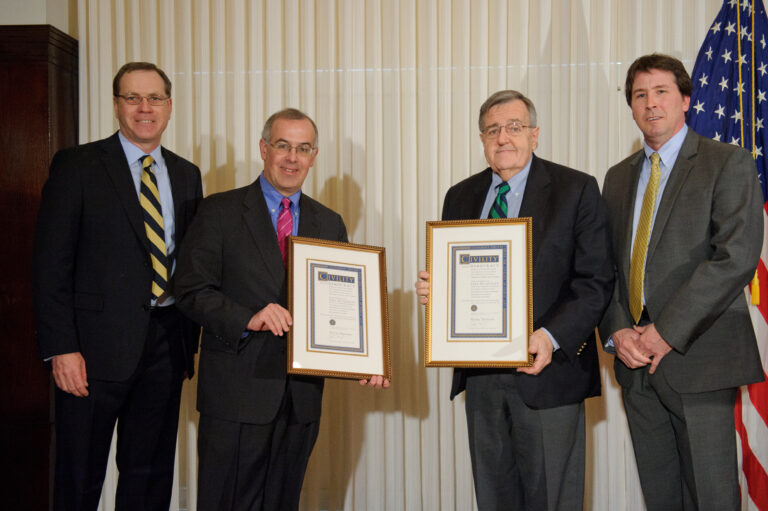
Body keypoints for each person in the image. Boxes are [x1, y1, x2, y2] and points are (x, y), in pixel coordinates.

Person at [174, 108, 388, 511]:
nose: (292, 157)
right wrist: (247, 317)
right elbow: (189, 289)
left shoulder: (329, 222)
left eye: (302, 148)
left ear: (314, 156)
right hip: (238, 392)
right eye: (283, 146)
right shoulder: (220, 211)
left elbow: (340, 306)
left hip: (301, 398)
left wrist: (366, 357)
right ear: (264, 149)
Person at [415, 90, 613, 510]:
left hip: (549, 373)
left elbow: (595, 282)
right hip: (482, 379)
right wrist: (439, 292)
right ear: (482, 139)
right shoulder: (460, 196)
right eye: (492, 129)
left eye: (514, 127)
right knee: (494, 499)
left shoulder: (575, 189)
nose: (503, 137)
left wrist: (550, 336)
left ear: (535, 135)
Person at [33, 62, 202, 510]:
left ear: (169, 107)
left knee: (149, 478)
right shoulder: (79, 165)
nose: (144, 108)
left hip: (167, 344)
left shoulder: (187, 175)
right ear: (116, 105)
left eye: (155, 98)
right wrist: (61, 348)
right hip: (90, 352)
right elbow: (50, 265)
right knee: (79, 478)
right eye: (133, 98)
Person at [600, 53, 765, 511]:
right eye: (639, 95)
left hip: (700, 361)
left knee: (711, 497)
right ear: (630, 107)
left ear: (686, 100)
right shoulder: (616, 179)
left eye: (661, 92)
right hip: (634, 367)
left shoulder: (726, 163)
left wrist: (664, 332)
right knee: (662, 497)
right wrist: (617, 329)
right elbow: (606, 268)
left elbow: (734, 258)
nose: (651, 104)